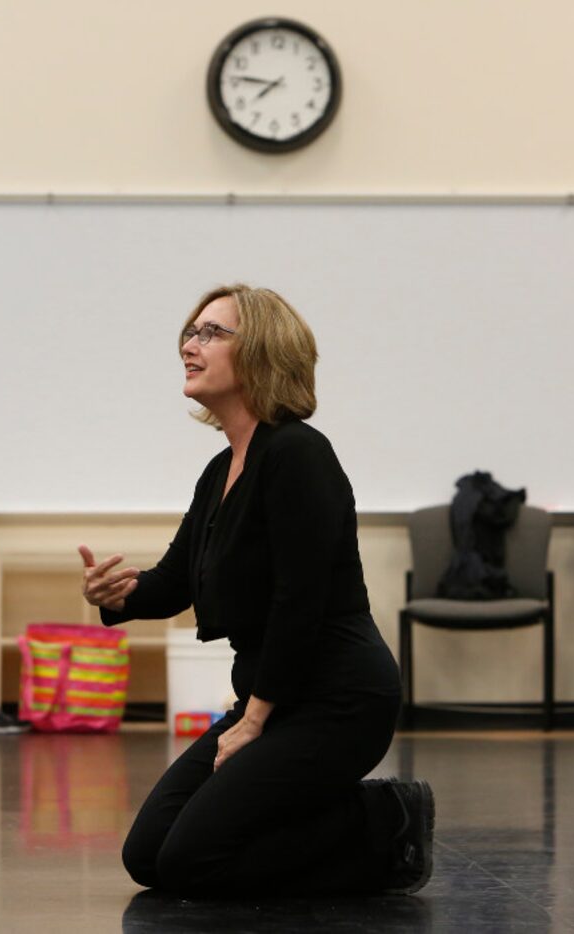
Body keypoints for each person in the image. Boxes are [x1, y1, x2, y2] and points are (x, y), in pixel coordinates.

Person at [78, 284, 434, 896]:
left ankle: (385, 820)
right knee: (149, 856)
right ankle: (298, 802)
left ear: (263, 352)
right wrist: (119, 596)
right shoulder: (221, 470)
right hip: (272, 695)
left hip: (337, 700)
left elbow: (299, 602)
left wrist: (253, 722)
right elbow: (173, 580)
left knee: (193, 862)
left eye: (212, 333)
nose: (191, 345)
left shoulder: (299, 454)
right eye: (190, 333)